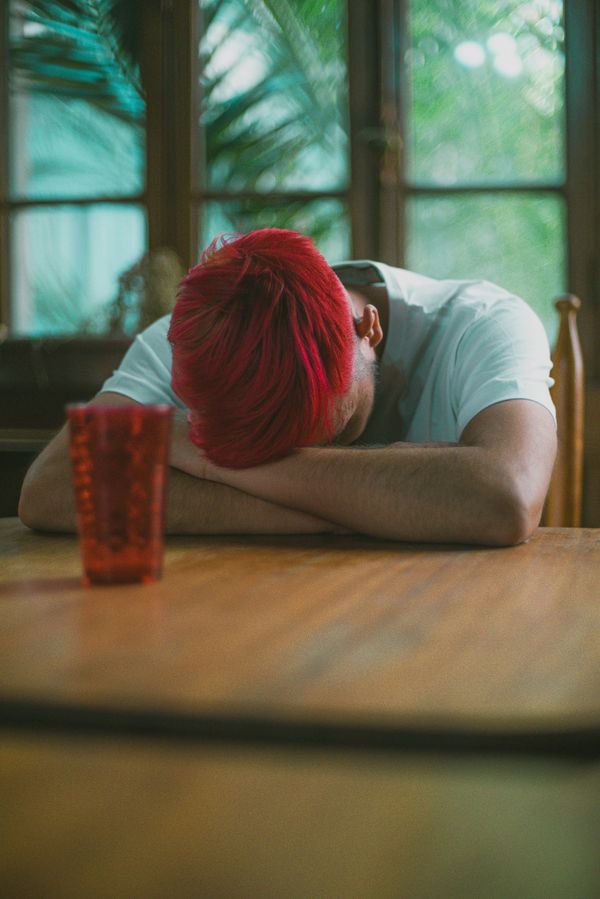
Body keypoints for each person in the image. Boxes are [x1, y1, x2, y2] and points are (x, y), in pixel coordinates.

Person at [19, 228, 557, 545]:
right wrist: (371, 507)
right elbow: (51, 490)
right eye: (259, 453)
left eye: (338, 428)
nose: (314, 457)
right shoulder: (196, 336)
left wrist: (210, 461)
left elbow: (504, 495)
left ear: (367, 328)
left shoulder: (484, 323)